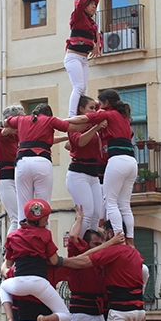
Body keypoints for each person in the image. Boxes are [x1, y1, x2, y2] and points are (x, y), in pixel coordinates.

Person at [0, 199, 71, 321]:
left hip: (19, 282)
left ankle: (10, 318)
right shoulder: (45, 234)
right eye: (45, 220)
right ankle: (45, 320)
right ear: (38, 221)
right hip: (38, 282)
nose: (47, 222)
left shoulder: (13, 236)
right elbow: (54, 260)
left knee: (3, 287)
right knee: (66, 315)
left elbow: (8, 264)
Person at [73, 89, 138, 245]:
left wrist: (62, 121)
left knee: (110, 202)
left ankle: (118, 237)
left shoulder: (108, 114)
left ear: (107, 103)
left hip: (117, 161)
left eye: (100, 103)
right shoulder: (124, 117)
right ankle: (129, 238)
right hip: (131, 162)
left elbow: (85, 118)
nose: (98, 107)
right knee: (124, 204)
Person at [4, 104, 85, 220]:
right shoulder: (50, 120)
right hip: (41, 161)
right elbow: (75, 128)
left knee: (23, 208)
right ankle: (44, 236)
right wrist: (93, 122)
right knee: (43, 207)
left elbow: (7, 122)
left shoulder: (22, 119)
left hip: (22, 162)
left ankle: (22, 236)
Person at [65, 205, 107, 321]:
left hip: (98, 314)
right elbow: (72, 236)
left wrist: (97, 226)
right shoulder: (77, 254)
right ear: (86, 244)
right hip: (82, 314)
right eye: (95, 244)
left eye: (100, 244)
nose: (99, 246)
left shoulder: (100, 259)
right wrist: (79, 219)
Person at [66, 96, 106, 233]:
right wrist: (95, 127)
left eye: (95, 108)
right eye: (91, 108)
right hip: (78, 173)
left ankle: (89, 246)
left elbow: (100, 106)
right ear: (81, 109)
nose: (95, 111)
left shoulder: (92, 123)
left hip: (93, 174)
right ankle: (78, 245)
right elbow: (81, 142)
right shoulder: (74, 125)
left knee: (96, 215)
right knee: (86, 215)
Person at [65, 0, 101, 118]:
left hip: (83, 59)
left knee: (83, 89)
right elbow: (79, 4)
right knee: (78, 87)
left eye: (95, 4)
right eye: (91, 3)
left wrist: (97, 46)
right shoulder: (78, 16)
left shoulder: (93, 25)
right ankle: (72, 116)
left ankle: (82, 112)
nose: (94, 6)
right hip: (73, 57)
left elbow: (98, 39)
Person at [0, 105, 25, 235]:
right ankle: (10, 252)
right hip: (6, 178)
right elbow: (4, 131)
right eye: (22, 117)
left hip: (17, 176)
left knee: (21, 217)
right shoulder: (5, 134)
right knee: (16, 218)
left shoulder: (20, 136)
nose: (24, 120)